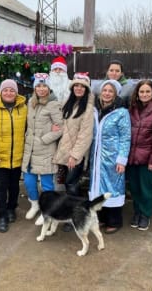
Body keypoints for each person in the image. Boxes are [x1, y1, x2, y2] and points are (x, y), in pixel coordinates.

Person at [0, 79, 27, 233]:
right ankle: (1, 215)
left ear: (16, 93)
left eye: (12, 90)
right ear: (1, 92)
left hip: (17, 156)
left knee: (14, 186)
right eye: (6, 90)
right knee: (1, 187)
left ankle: (11, 208)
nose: (9, 93)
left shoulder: (23, 109)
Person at [53, 72, 95, 232]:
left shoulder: (88, 108)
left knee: (72, 185)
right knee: (64, 184)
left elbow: (85, 135)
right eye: (76, 85)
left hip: (74, 156)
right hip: (62, 153)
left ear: (86, 89)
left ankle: (75, 217)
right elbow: (63, 126)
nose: (78, 88)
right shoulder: (67, 104)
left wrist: (75, 155)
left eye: (82, 86)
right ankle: (64, 213)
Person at [89, 79, 131, 234]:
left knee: (112, 188)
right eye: (104, 90)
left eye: (110, 91)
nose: (106, 93)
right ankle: (102, 218)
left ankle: (114, 221)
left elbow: (126, 137)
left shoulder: (121, 112)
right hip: (97, 157)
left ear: (115, 94)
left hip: (113, 158)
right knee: (98, 188)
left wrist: (122, 159)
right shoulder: (95, 110)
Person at [22, 73, 63, 225]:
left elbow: (60, 128)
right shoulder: (31, 103)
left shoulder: (53, 104)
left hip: (45, 150)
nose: (41, 89)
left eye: (44, 85)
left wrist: (44, 139)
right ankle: (34, 204)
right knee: (29, 181)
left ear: (49, 87)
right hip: (30, 150)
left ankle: (47, 209)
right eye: (38, 86)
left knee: (46, 184)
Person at [127, 80, 152, 231]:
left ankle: (145, 215)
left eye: (147, 92)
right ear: (137, 94)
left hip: (147, 158)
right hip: (131, 157)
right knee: (134, 187)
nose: (144, 94)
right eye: (141, 92)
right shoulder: (132, 110)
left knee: (146, 188)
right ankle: (137, 212)